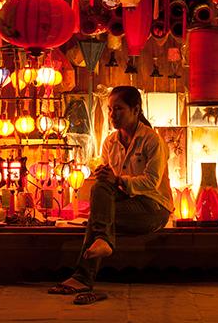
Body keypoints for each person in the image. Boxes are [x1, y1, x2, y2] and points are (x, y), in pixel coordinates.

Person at [48, 85, 173, 305]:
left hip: (152, 207)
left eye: (119, 109)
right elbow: (109, 185)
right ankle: (102, 242)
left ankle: (83, 275)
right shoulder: (110, 142)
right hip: (125, 202)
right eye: (109, 109)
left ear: (135, 110)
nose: (112, 115)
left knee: (98, 218)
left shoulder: (152, 140)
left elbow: (151, 182)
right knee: (99, 188)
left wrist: (118, 180)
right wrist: (106, 177)